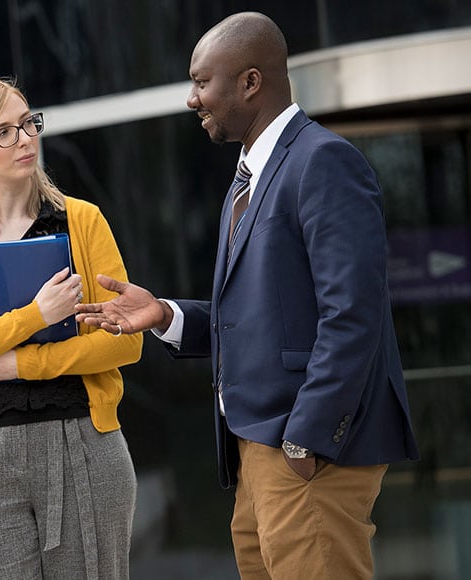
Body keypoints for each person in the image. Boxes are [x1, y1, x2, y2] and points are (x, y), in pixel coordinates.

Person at [76, 12, 419, 580]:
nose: (192, 99)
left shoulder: (322, 162)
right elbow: (264, 318)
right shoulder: (248, 178)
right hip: (254, 451)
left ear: (250, 83)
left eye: (201, 82)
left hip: (304, 452)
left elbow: (352, 317)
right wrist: (165, 315)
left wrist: (306, 442)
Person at [0, 76, 143, 580]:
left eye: (27, 123)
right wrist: (36, 317)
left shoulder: (82, 221)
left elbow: (125, 339)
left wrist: (24, 362)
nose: (24, 139)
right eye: (3, 132)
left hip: (83, 442)